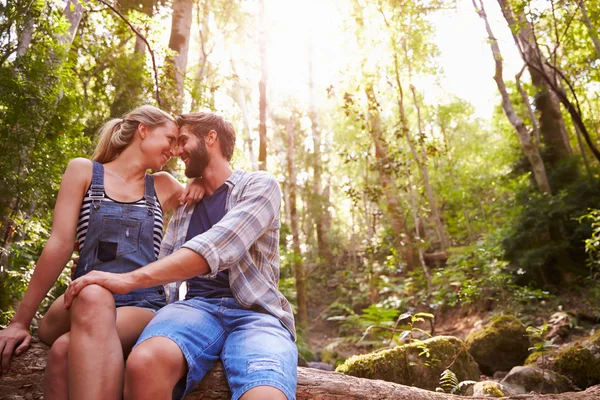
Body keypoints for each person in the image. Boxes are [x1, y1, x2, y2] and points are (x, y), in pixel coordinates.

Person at [64, 112, 298, 400]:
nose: (176, 151)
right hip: (193, 309)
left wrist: (127, 280)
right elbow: (141, 237)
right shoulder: (186, 203)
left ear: (210, 138)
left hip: (255, 314)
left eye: (184, 140)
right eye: (174, 142)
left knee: (265, 394)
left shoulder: (259, 185)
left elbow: (217, 247)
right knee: (144, 364)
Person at [0, 105, 203, 399]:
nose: (173, 150)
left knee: (63, 350)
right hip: (79, 299)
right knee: (93, 293)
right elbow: (59, 244)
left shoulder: (164, 185)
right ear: (143, 131)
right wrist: (19, 322)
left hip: (141, 305)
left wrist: (198, 182)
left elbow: (210, 230)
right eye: (170, 139)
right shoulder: (83, 171)